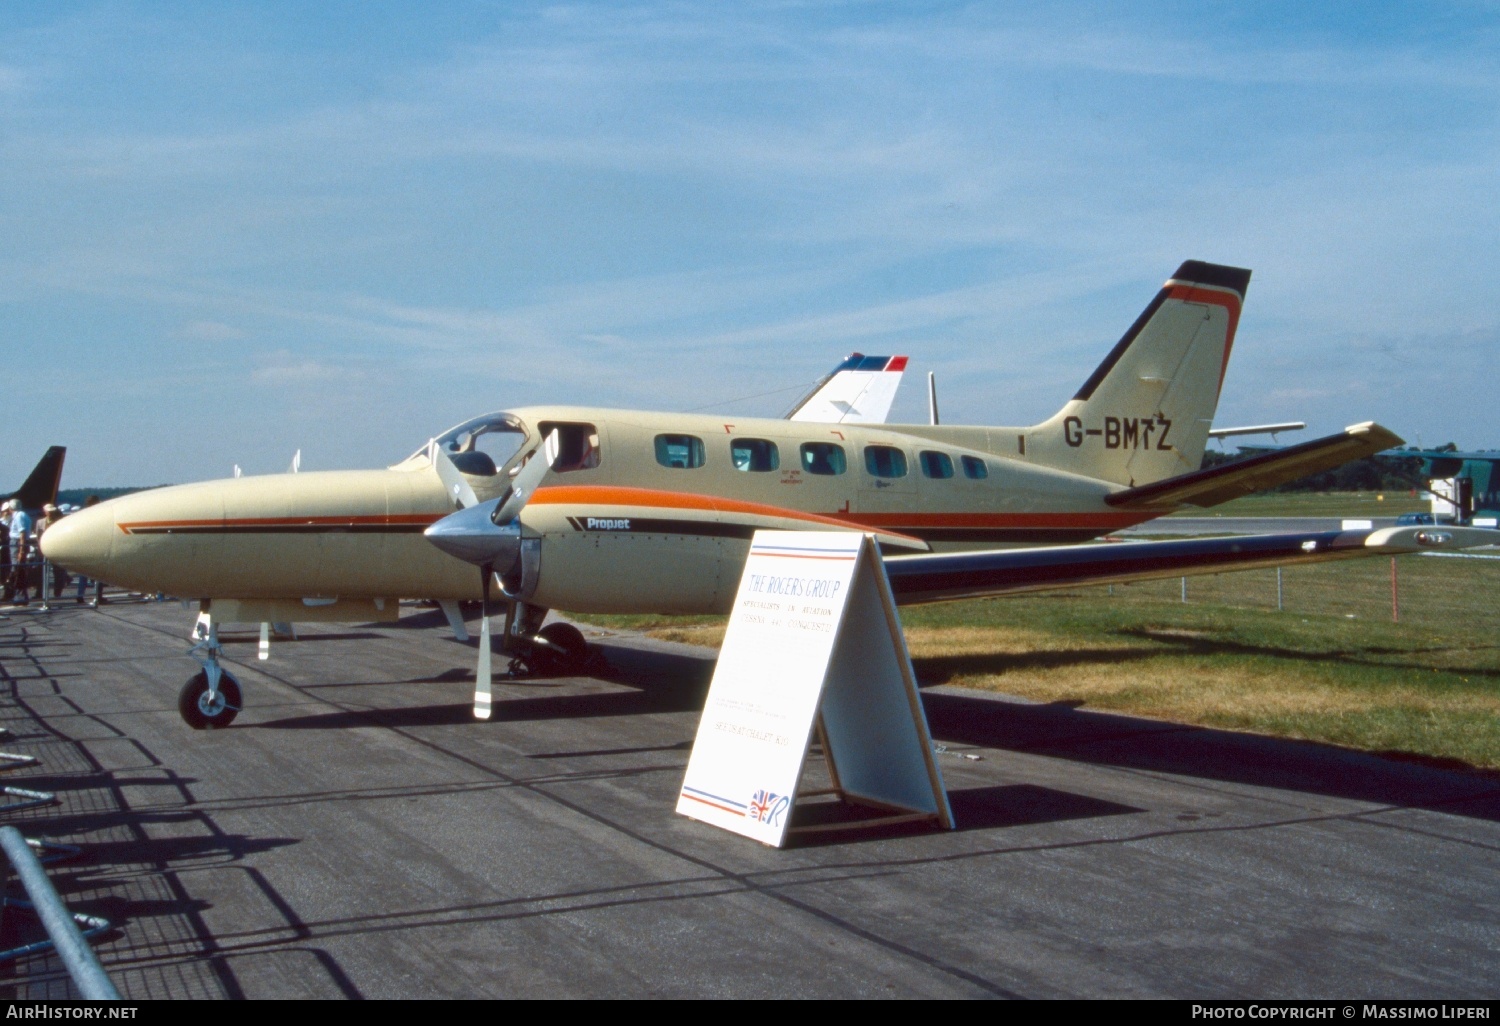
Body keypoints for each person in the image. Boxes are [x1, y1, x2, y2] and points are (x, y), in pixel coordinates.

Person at [5, 499, 33, 605]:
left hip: (17, 543)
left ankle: (20, 596)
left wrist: (21, 550)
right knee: (18, 569)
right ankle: (21, 595)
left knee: (17, 570)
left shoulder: (19, 516)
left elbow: (22, 533)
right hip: (17, 543)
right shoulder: (22, 515)